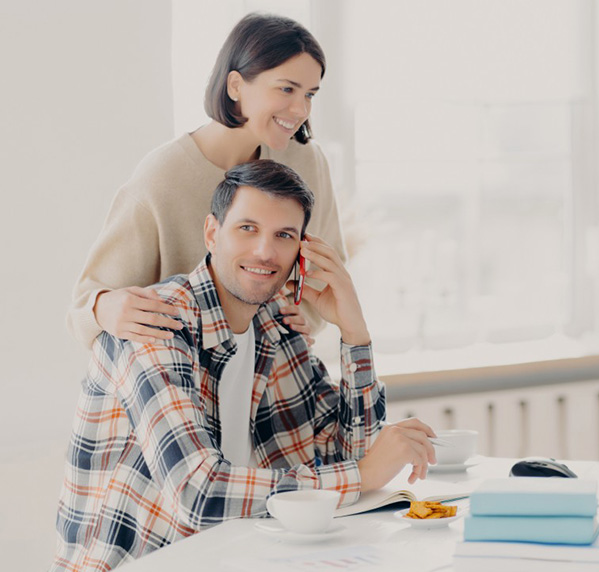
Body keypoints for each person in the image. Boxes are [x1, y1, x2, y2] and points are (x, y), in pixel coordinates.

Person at [51, 160, 437, 572]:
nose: (264, 252)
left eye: (284, 235)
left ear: (301, 252)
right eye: (247, 228)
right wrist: (361, 475)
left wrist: (354, 332)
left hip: (232, 557)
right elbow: (198, 493)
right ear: (212, 234)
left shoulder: (277, 324)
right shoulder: (156, 323)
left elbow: (348, 455)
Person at [67, 13, 345, 349]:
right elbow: (86, 304)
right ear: (235, 85)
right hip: (183, 372)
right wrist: (104, 308)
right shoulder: (162, 179)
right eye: (287, 89)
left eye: (310, 95)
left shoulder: (307, 162)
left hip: (269, 370)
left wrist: (304, 317)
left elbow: (326, 271)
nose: (301, 110)